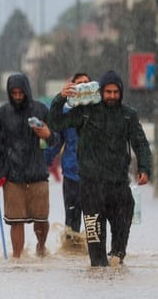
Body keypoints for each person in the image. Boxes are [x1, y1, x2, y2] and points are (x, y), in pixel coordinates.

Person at [47, 70, 152, 267]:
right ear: (101, 91)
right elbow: (55, 123)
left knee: (118, 252)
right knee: (97, 259)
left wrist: (145, 168)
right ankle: (99, 285)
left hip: (119, 187)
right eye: (108, 92)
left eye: (115, 92)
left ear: (121, 92)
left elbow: (141, 143)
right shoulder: (85, 112)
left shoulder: (128, 115)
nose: (112, 96)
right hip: (91, 188)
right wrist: (60, 99)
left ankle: (116, 281)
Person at [0, 73, 59, 259]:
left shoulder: (42, 110)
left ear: (27, 91)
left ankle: (41, 248)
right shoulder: (1, 115)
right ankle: (17, 259)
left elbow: (56, 140)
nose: (18, 96)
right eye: (14, 93)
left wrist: (47, 134)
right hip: (12, 175)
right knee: (15, 221)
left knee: (41, 220)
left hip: (38, 174)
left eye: (21, 92)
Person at [44, 72, 91, 242]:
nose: (83, 86)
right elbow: (55, 141)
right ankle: (72, 253)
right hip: (72, 175)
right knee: (71, 223)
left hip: (95, 177)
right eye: (79, 84)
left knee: (94, 222)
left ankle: (96, 259)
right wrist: (42, 164)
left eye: (86, 83)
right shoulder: (66, 114)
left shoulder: (100, 112)